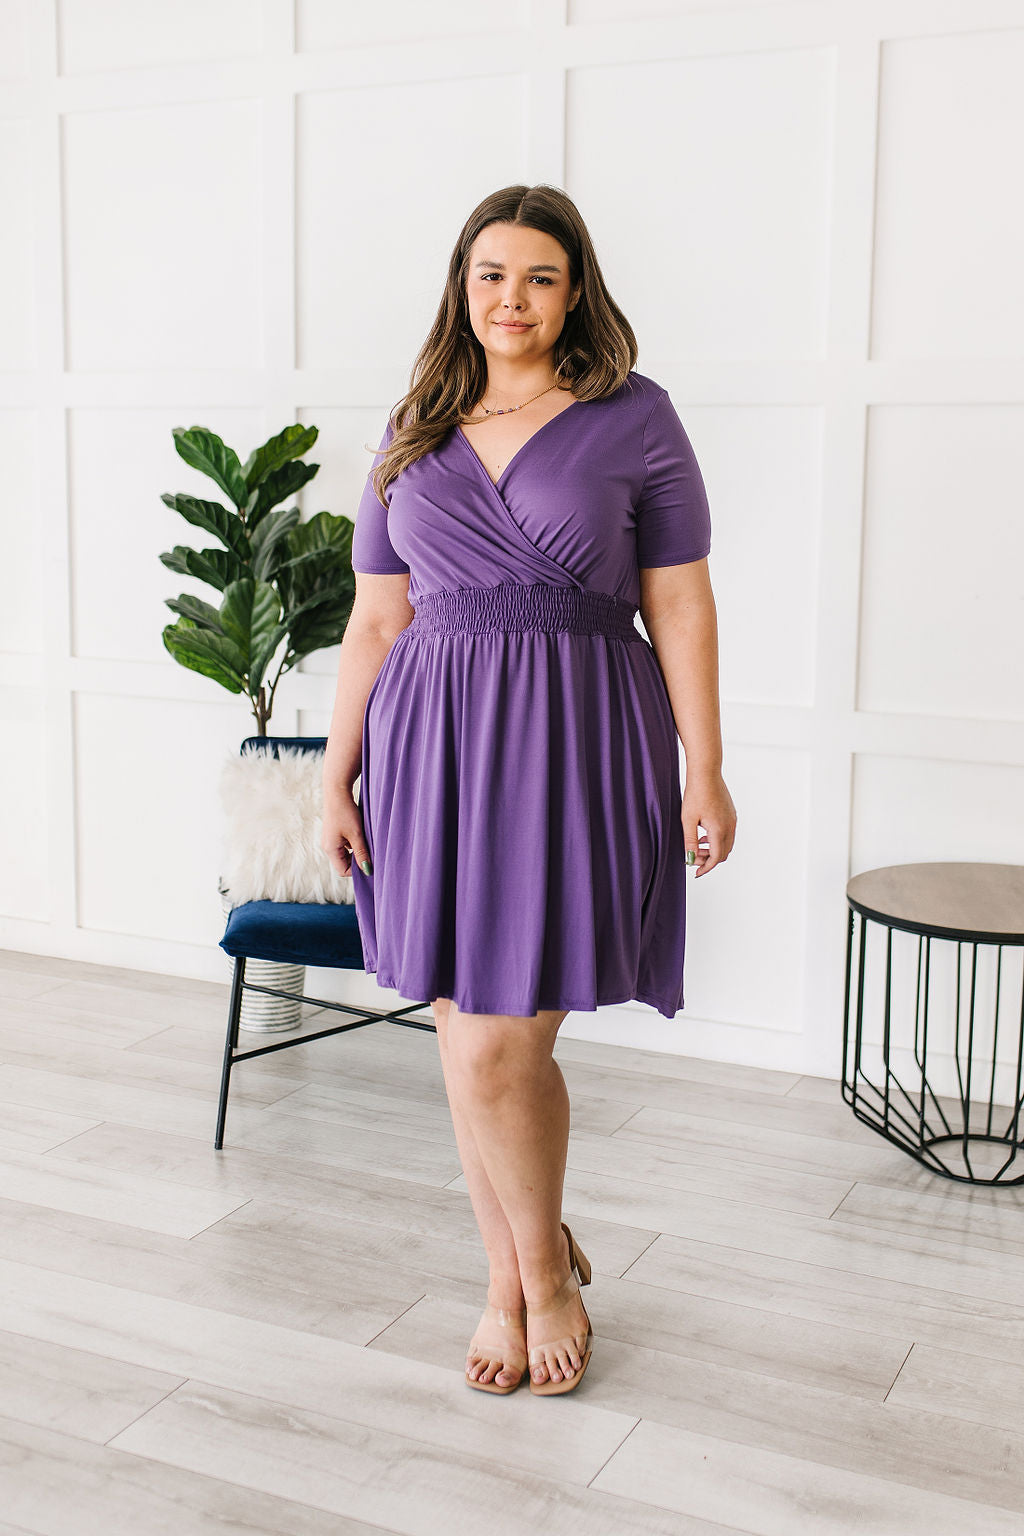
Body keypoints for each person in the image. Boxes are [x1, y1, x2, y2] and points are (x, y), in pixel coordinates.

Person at [321, 184, 737, 1398]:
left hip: (579, 738)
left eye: (540, 277)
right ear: (462, 288)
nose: (513, 298)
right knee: (465, 1040)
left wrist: (704, 765)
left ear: (574, 291)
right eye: (491, 274)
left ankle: (545, 1275)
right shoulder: (414, 423)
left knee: (505, 1044)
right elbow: (376, 618)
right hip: (431, 748)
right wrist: (336, 772)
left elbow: (679, 601)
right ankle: (509, 1278)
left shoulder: (634, 416)